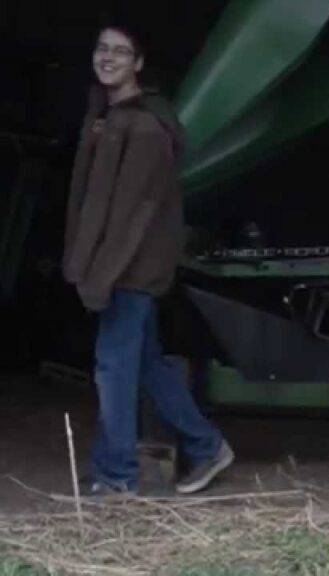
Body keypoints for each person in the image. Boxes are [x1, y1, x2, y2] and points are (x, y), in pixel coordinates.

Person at [62, 21, 234, 496]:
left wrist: (100, 273)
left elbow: (133, 214)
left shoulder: (143, 127)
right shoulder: (110, 115)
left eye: (120, 51)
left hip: (130, 267)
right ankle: (206, 447)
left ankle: (117, 477)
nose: (108, 57)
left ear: (138, 63)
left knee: (113, 366)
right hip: (123, 263)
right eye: (101, 48)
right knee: (145, 365)